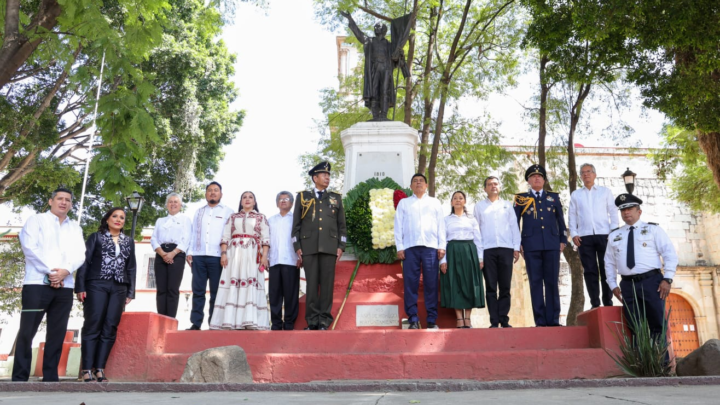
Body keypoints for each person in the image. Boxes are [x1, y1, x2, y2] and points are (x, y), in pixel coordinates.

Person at [13, 187, 86, 382]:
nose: (64, 202)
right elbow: (29, 248)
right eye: (60, 198)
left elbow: (80, 254)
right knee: (27, 331)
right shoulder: (36, 220)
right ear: (50, 201)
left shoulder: (75, 228)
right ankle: (20, 377)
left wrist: (65, 271)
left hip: (65, 286)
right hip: (37, 284)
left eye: (68, 200)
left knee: (57, 332)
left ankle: (51, 377)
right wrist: (52, 273)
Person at [75, 207, 137, 382]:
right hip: (96, 284)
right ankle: (86, 369)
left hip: (119, 288)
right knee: (93, 324)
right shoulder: (96, 237)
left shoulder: (128, 241)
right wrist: (80, 287)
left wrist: (130, 292)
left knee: (110, 327)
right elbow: (84, 262)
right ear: (107, 219)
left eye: (122, 218)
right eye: (115, 216)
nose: (119, 220)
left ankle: (99, 368)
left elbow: (131, 267)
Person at [604, 193, 677, 338]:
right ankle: (640, 361)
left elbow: (669, 254)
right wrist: (613, 285)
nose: (626, 212)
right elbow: (609, 262)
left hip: (651, 282)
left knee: (657, 323)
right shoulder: (614, 235)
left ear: (639, 211)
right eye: (623, 210)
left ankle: (660, 361)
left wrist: (667, 278)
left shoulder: (653, 230)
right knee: (635, 327)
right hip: (627, 284)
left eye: (630, 208)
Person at [292, 162, 347, 330]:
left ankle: (324, 321)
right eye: (324, 175)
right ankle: (312, 321)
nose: (327, 177)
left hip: (330, 248)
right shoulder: (303, 197)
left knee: (326, 286)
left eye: (328, 175)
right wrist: (297, 246)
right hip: (308, 247)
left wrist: (341, 245)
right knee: (311, 285)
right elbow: (296, 225)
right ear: (315, 178)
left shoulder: (335, 198)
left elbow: (341, 225)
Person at [514, 164, 567, 327]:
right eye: (533, 176)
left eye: (540, 176)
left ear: (544, 180)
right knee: (535, 282)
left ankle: (553, 319)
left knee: (552, 282)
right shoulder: (521, 199)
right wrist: (518, 244)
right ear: (528, 180)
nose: (537, 178)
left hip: (551, 244)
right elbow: (515, 223)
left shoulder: (554, 198)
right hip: (530, 246)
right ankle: (540, 320)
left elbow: (560, 221)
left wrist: (563, 240)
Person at [210, 191, 270, 330]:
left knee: (250, 283)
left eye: (250, 197)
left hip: (252, 253)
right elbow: (225, 237)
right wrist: (224, 254)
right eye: (244, 197)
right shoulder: (233, 217)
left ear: (255, 202)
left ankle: (250, 321)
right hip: (234, 253)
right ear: (241, 201)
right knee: (232, 283)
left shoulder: (261, 217)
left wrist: (264, 256)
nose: (247, 199)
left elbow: (266, 238)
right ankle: (228, 321)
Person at [395, 173, 446, 329]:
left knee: (431, 283)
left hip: (431, 248)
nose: (418, 183)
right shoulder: (404, 203)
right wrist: (400, 246)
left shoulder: (434, 203)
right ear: (410, 186)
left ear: (426, 186)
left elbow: (441, 225)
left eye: (421, 181)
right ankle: (413, 318)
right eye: (415, 181)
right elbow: (398, 225)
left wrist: (442, 245)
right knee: (411, 283)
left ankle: (431, 319)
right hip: (410, 248)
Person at [568, 163, 619, 309]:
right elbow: (572, 216)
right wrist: (574, 234)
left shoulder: (605, 192)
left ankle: (608, 302)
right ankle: (595, 303)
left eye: (589, 172)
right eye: (583, 172)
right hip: (584, 236)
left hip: (604, 235)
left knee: (606, 268)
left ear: (594, 174)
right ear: (580, 176)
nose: (586, 174)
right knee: (590, 270)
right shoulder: (576, 195)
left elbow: (613, 212)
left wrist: (613, 232)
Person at [186, 181, 235, 330]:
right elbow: (193, 233)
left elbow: (230, 235)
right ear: (206, 194)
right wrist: (190, 252)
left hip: (218, 257)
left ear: (221, 194)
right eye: (210, 190)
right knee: (198, 291)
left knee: (216, 292)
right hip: (199, 256)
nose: (212, 192)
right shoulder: (199, 211)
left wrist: (226, 255)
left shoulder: (228, 212)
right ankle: (196, 323)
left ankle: (214, 323)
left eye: (216, 190)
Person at [474, 176, 521, 328]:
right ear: (485, 188)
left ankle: (504, 319)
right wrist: (479, 254)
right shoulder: (479, 206)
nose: (493, 186)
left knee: (505, 286)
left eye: (495, 184)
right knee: (491, 287)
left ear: (499, 187)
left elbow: (514, 227)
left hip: (506, 249)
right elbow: (476, 231)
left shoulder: (507, 205)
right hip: (488, 250)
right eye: (489, 184)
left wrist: (516, 247)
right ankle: (494, 321)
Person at [440, 191, 485, 329]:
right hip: (452, 250)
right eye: (455, 198)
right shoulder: (446, 220)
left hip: (469, 251)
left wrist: (480, 257)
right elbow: (442, 240)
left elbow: (478, 239)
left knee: (469, 283)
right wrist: (442, 261)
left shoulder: (471, 219)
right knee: (455, 283)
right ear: (451, 202)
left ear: (465, 201)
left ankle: (468, 318)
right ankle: (459, 318)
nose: (458, 200)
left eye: (461, 198)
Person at [150, 192, 192, 318]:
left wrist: (172, 254)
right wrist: (163, 254)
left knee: (172, 289)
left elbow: (187, 239)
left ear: (180, 205)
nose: (173, 204)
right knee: (161, 288)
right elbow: (154, 239)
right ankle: (161, 318)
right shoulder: (160, 220)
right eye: (170, 202)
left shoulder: (185, 220)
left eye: (176, 202)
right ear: (167, 205)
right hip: (161, 252)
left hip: (177, 253)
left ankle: (170, 319)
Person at [268, 191, 301, 330]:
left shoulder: (297, 220)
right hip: (274, 261)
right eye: (280, 199)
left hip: (291, 261)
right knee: (274, 294)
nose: (283, 201)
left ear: (292, 203)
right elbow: (267, 240)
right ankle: (275, 324)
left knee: (291, 294)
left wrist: (300, 257)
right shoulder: (270, 220)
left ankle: (289, 323)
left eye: (286, 199)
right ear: (277, 203)